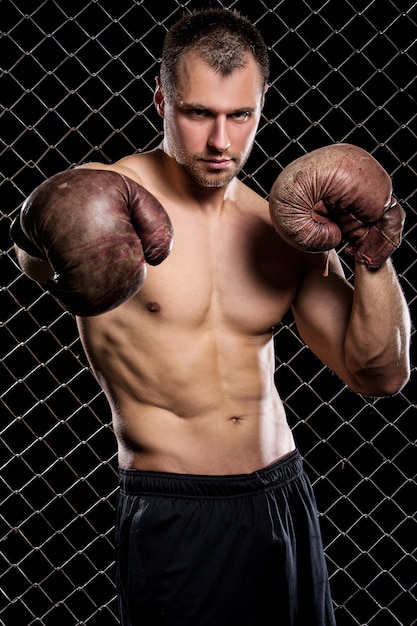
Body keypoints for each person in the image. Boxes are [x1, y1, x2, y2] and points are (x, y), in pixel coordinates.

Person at [11, 8, 411, 626]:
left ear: (261, 107)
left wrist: (375, 257)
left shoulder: (283, 229)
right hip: (177, 510)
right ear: (161, 101)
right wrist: (43, 236)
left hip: (283, 497)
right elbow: (36, 256)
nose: (221, 142)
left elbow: (378, 373)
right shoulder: (107, 200)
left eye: (239, 115)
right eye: (198, 114)